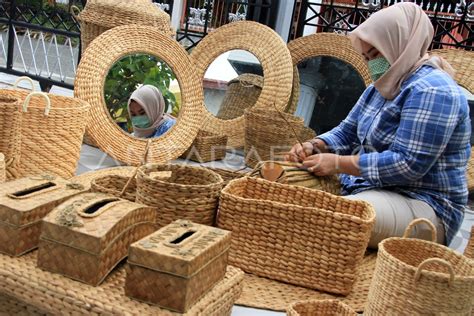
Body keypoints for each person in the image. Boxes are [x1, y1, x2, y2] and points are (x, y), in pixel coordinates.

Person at [287, 2, 470, 248]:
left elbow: (407, 164)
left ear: (400, 45)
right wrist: (316, 145)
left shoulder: (433, 90)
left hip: (425, 205)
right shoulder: (381, 87)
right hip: (372, 188)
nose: (372, 64)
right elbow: (347, 131)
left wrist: (339, 163)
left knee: (340, 218)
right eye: (366, 57)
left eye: (375, 55)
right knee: (284, 190)